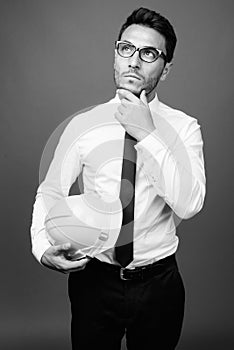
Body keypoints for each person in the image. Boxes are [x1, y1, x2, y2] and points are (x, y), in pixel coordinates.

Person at [30, 7, 206, 350]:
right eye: (126, 48)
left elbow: (191, 203)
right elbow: (50, 191)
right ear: (115, 53)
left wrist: (147, 133)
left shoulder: (185, 128)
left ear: (166, 68)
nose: (134, 61)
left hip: (159, 284)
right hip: (94, 281)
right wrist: (41, 248)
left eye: (149, 53)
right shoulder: (83, 125)